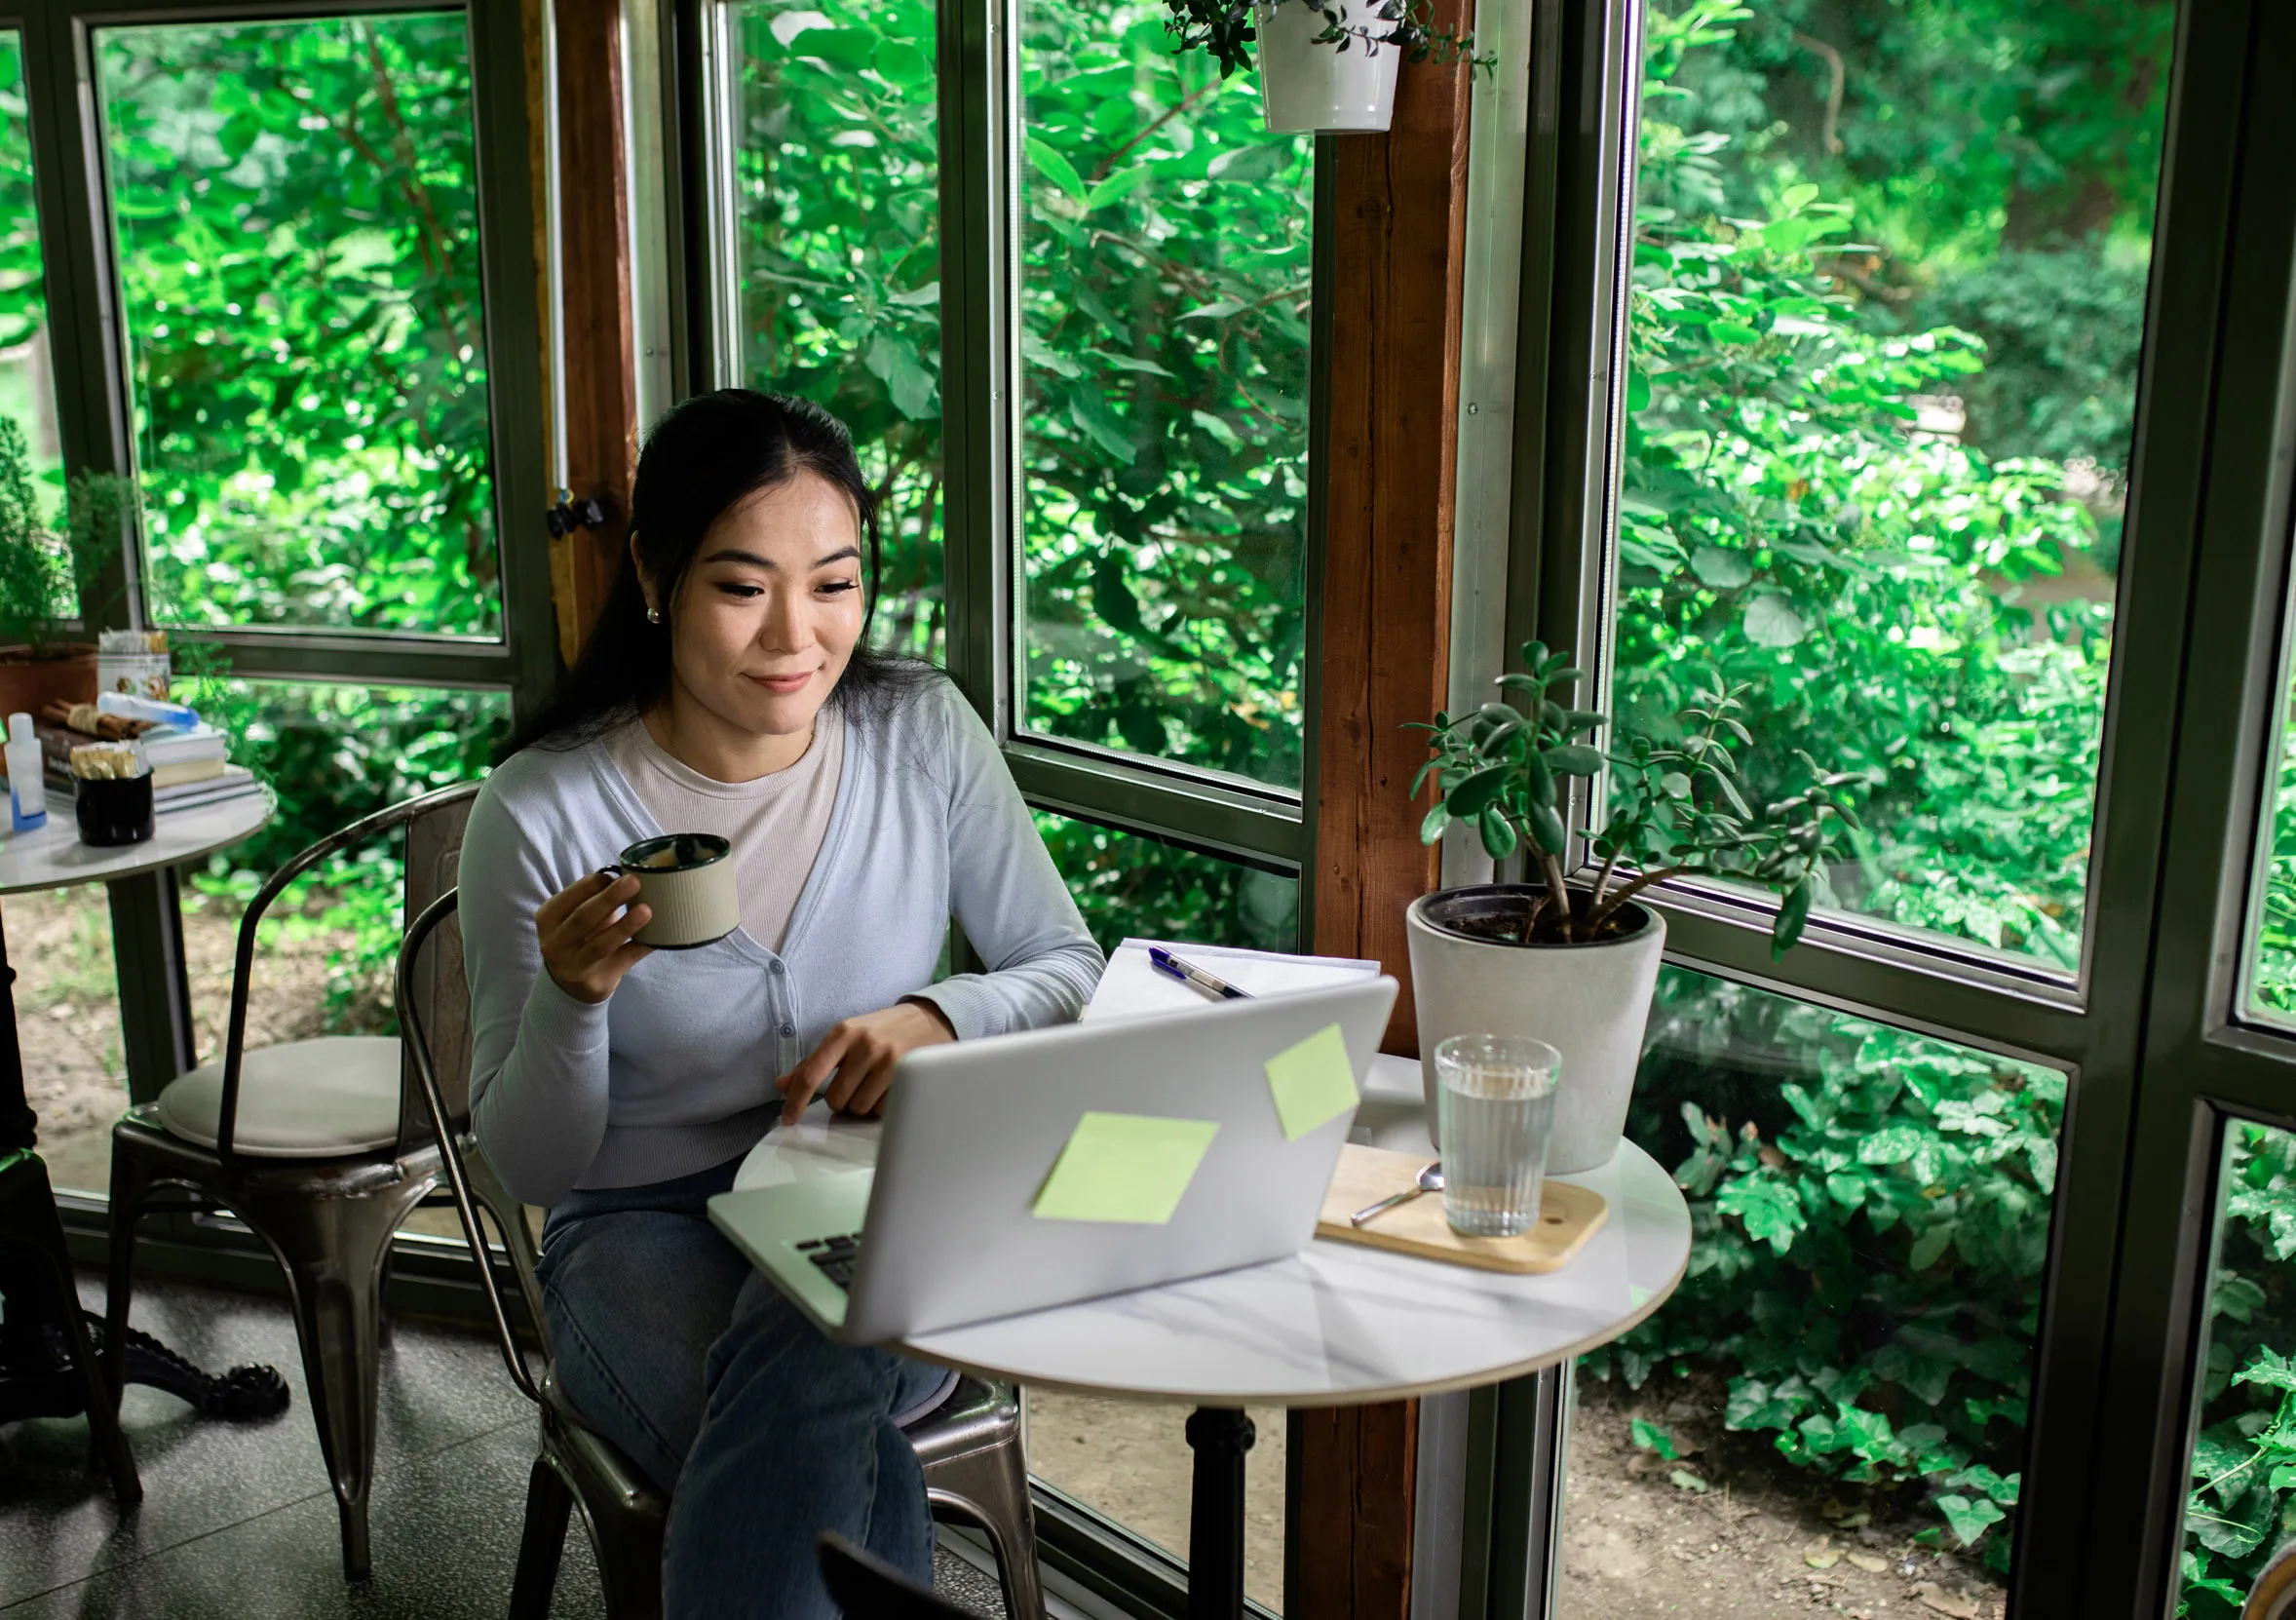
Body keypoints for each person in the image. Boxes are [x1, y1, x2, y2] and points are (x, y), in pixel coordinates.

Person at [458, 388, 1104, 1616]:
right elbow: (532, 1162)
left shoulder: (921, 735)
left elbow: (1064, 963)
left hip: (868, 1194)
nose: (795, 637)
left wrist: (940, 1017)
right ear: (654, 576)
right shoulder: (545, 809)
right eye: (743, 588)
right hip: (643, 1227)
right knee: (826, 1398)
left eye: (835, 583)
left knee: (823, 1323)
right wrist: (572, 1001)